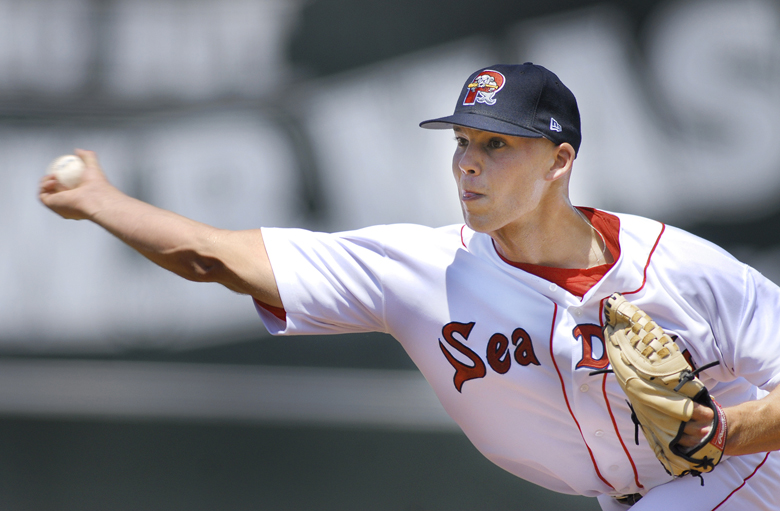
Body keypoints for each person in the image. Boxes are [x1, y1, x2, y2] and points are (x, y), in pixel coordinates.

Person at [39, 63, 780, 510]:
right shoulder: (421, 273)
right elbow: (214, 258)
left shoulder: (684, 269)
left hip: (751, 478)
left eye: (497, 145)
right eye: (461, 142)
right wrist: (102, 200)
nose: (468, 164)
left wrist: (727, 433)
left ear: (559, 162)